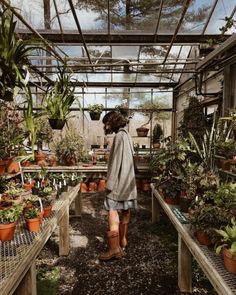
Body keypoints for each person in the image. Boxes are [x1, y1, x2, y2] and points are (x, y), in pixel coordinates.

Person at [99, 111, 138, 261]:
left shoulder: (118, 137)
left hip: (118, 184)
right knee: (126, 210)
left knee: (112, 211)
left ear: (113, 122)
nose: (106, 126)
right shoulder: (127, 135)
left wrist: (110, 185)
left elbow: (115, 164)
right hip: (128, 182)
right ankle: (123, 241)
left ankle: (114, 249)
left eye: (107, 123)